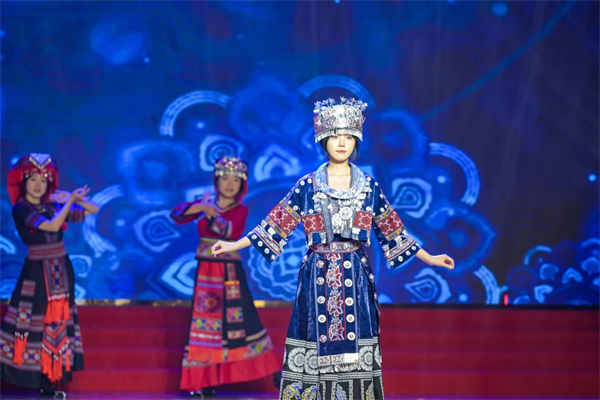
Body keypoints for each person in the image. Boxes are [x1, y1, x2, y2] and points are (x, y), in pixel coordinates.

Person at [211, 98, 454, 399]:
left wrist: (430, 258)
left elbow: (393, 230)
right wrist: (234, 244)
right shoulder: (307, 186)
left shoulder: (368, 187)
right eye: (335, 137)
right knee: (313, 344)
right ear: (324, 140)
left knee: (357, 346)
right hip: (317, 276)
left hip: (356, 276)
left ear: (356, 142)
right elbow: (274, 225)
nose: (342, 144)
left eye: (348, 137)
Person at [170, 156, 281, 398]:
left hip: (229, 273)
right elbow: (176, 214)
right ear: (217, 181)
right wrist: (201, 208)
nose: (230, 184)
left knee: (244, 321)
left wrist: (209, 214)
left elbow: (227, 231)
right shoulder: (205, 204)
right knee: (204, 325)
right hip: (206, 273)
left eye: (235, 180)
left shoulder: (240, 210)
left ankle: (273, 371)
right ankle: (204, 382)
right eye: (225, 179)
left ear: (242, 185)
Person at [0, 153, 99, 398]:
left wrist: (71, 198)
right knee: (33, 323)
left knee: (55, 324)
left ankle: (49, 381)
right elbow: (53, 225)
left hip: (60, 270)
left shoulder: (52, 206)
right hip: (36, 273)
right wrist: (68, 202)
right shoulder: (21, 209)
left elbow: (93, 209)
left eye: (43, 181)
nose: (38, 185)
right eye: (33, 180)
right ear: (24, 182)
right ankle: (31, 377)